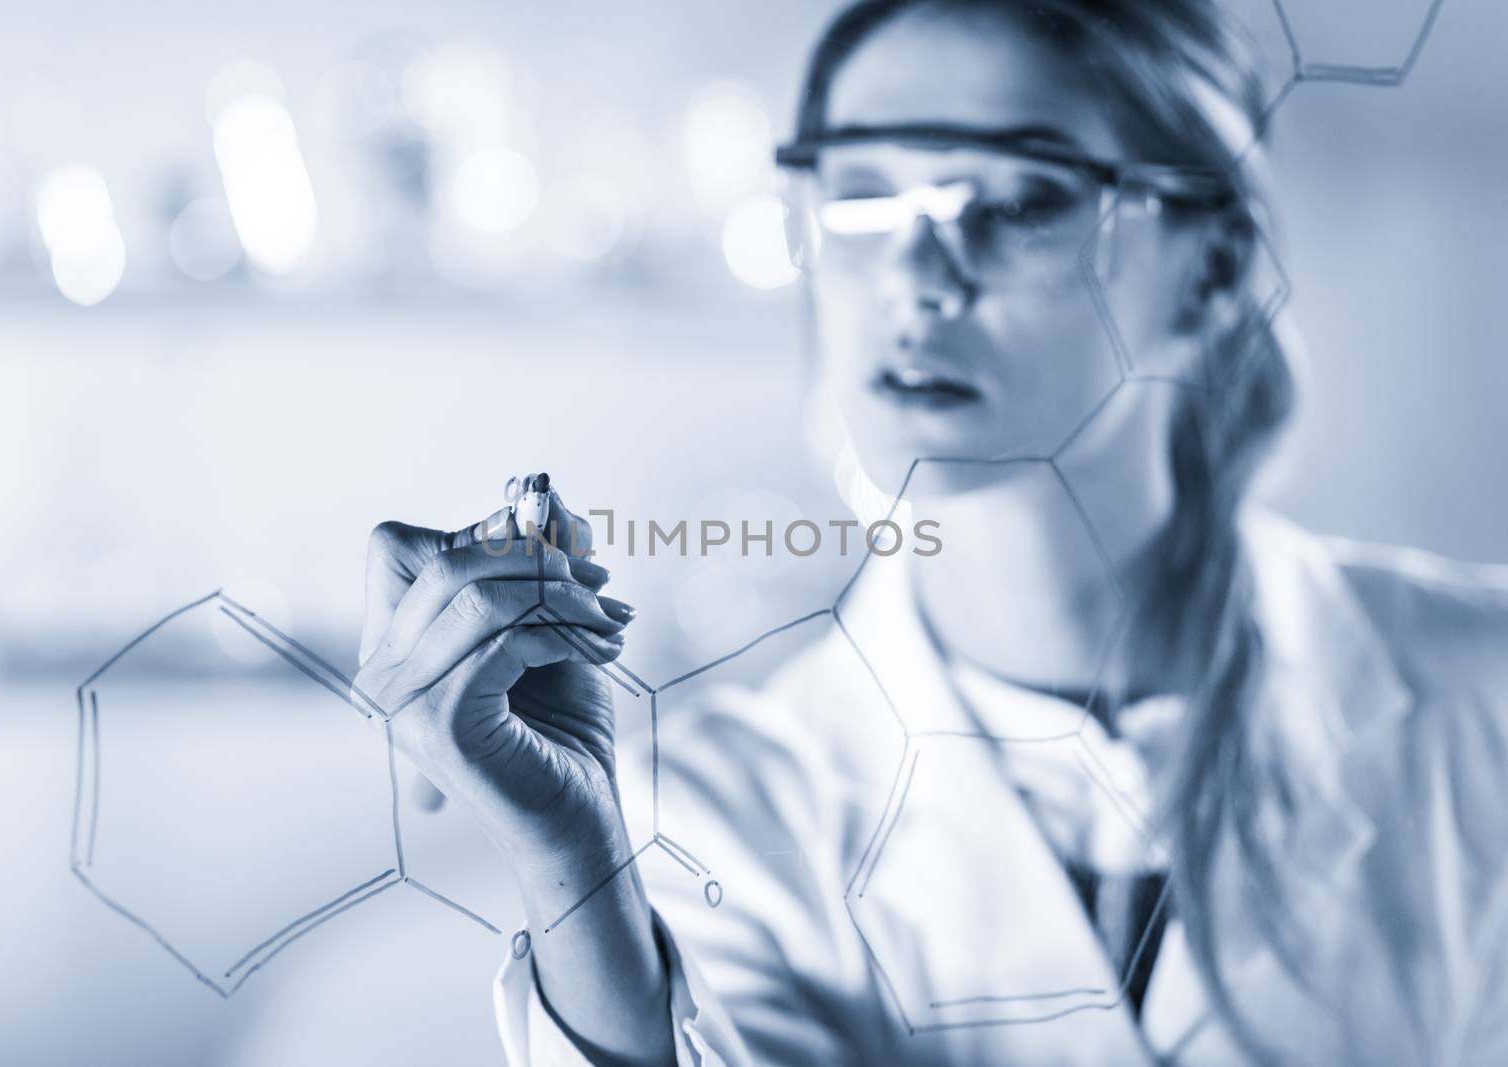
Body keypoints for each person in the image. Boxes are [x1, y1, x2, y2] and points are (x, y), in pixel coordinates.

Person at [350, 1, 1508, 1063]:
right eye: (859, 196)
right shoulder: (708, 810)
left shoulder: (1483, 691)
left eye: (1014, 202)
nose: (914, 275)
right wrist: (573, 871)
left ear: (1210, 272)